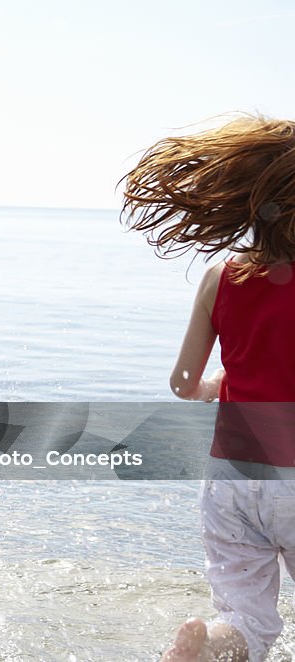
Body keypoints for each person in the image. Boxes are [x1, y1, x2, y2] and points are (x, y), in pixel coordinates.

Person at [122, 115, 295, 662]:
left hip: (231, 479)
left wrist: (219, 385)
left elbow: (181, 383)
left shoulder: (223, 276)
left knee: (245, 620)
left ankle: (203, 648)